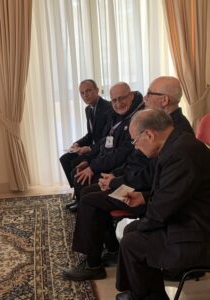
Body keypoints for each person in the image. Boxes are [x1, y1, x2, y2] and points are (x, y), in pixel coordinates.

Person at [62, 77, 195, 282]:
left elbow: (152, 175)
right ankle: (110, 250)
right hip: (139, 186)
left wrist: (117, 182)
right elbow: (136, 159)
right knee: (90, 192)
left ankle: (93, 264)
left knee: (90, 199)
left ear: (164, 100)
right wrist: (117, 176)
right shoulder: (162, 123)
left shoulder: (176, 131)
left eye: (150, 93)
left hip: (146, 193)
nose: (146, 96)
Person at [115, 109, 210, 300]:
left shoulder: (181, 153)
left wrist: (144, 223)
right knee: (131, 231)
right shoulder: (177, 143)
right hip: (190, 215)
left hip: (200, 232)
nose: (136, 147)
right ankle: (144, 292)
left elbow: (162, 209)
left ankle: (147, 296)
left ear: (149, 134)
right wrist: (143, 196)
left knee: (132, 242)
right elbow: (173, 192)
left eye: (135, 141)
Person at [68, 82, 144, 212]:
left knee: (86, 187)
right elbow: (104, 140)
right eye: (114, 100)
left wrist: (93, 167)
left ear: (131, 96)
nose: (118, 103)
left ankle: (85, 208)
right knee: (78, 169)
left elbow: (122, 153)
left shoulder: (138, 118)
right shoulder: (115, 114)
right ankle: (81, 204)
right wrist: (89, 161)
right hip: (110, 162)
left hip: (121, 169)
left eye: (122, 98)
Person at [60, 79, 111, 191]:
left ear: (97, 90)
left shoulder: (108, 108)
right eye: (82, 93)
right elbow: (90, 135)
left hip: (101, 150)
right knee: (64, 159)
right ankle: (76, 192)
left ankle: (79, 195)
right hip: (93, 148)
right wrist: (77, 143)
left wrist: (89, 148)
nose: (85, 95)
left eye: (88, 91)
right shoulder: (88, 109)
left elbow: (107, 138)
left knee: (74, 163)